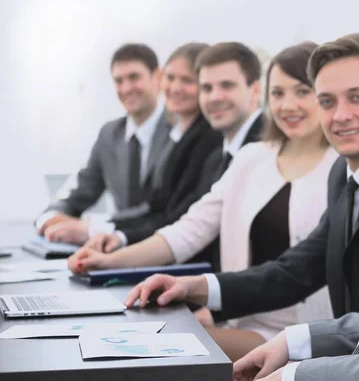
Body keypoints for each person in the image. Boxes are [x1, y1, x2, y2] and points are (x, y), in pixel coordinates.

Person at [117, 34, 359, 351]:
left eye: (357, 98)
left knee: (160, 351)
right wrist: (195, 287)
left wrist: (289, 365)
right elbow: (297, 270)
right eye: (327, 101)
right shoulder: (345, 172)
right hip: (334, 355)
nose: (340, 115)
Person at [69, 42, 339, 360]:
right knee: (133, 345)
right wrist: (110, 261)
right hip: (243, 320)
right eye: (278, 93)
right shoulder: (253, 158)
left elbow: (299, 271)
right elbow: (190, 229)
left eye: (302, 91)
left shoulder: (340, 167)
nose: (287, 105)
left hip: (305, 335)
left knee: (155, 354)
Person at [85, 42, 264, 269]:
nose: (215, 96)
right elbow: (191, 226)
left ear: (255, 90)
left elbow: (184, 222)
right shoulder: (218, 156)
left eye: (226, 85)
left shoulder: (262, 148)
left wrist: (114, 248)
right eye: (207, 88)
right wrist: (115, 248)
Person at [83, 43, 222, 249]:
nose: (175, 88)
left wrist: (117, 236)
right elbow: (159, 206)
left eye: (187, 81)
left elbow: (178, 215)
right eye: (171, 78)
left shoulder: (207, 138)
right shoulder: (180, 135)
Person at [36, 43, 171, 245]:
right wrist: (52, 217)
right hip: (115, 251)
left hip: (165, 247)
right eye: (118, 81)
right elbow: (80, 190)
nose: (126, 88)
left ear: (158, 77)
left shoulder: (179, 132)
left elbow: (160, 209)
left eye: (134, 78)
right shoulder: (109, 135)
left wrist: (93, 225)